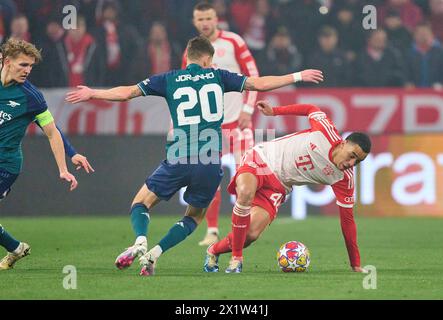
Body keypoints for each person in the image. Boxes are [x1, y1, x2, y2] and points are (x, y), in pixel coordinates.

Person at [65, 35, 323, 276]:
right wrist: (298, 74)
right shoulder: (218, 76)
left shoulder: (168, 78)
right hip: (209, 162)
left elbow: (127, 93)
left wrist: (93, 93)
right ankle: (155, 254)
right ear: (208, 60)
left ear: (188, 57)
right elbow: (260, 83)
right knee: (193, 217)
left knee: (140, 204)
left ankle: (141, 240)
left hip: (178, 156)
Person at [204, 101, 371, 273]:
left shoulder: (343, 178)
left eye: (357, 161)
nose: (352, 163)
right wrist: (274, 111)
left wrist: (355, 263)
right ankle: (236, 259)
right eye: (352, 156)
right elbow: (311, 109)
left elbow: (348, 222)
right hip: (262, 158)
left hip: (278, 187)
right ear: (343, 143)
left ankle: (213, 250)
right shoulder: (325, 131)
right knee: (245, 192)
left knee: (250, 234)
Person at [0, 38, 94, 270]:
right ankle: (16, 248)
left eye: (31, 66)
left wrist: (64, 165)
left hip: (6, 165)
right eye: (23, 65)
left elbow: (52, 131)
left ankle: (15, 247)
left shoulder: (30, 96)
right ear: (7, 61)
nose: (27, 71)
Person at [184, 1, 260, 247]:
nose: (205, 23)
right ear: (194, 22)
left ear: (216, 18)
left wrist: (248, 110)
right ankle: (213, 231)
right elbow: (186, 88)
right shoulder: (191, 52)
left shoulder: (233, 42)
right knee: (209, 179)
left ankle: (242, 227)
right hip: (210, 126)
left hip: (238, 121)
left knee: (244, 177)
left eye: (208, 18)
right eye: (200, 19)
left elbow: (253, 76)